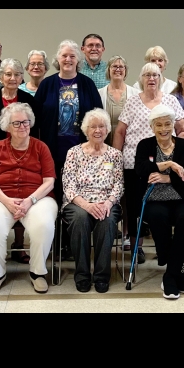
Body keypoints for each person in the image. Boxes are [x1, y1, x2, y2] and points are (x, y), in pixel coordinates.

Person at [112, 63, 184, 264]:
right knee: (135, 208)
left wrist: (177, 154)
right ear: (141, 79)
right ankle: (136, 247)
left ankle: (165, 247)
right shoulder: (132, 102)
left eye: (155, 75)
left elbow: (183, 130)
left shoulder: (170, 100)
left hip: (165, 162)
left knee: (162, 206)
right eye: (147, 75)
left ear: (161, 78)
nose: (151, 78)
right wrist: (116, 159)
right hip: (134, 164)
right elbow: (120, 131)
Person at [0, 102, 57, 294]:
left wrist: (29, 201)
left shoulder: (41, 147)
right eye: (16, 123)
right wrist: (7, 201)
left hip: (38, 198)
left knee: (44, 224)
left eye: (26, 122)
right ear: (7, 126)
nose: (22, 126)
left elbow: (49, 182)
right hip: (2, 199)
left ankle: (37, 273)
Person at [136, 105, 184, 299]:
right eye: (159, 125)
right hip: (155, 199)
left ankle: (170, 276)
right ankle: (176, 271)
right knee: (157, 216)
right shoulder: (145, 145)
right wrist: (170, 164)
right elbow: (141, 169)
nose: (164, 128)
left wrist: (167, 178)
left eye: (167, 124)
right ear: (152, 127)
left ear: (173, 125)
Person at [30, 39, 103, 204]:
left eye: (72, 56)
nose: (68, 59)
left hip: (82, 149)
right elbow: (35, 119)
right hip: (51, 148)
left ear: (78, 60)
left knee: (79, 193)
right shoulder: (47, 84)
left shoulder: (88, 84)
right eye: (64, 56)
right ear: (58, 59)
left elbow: (99, 116)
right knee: (53, 190)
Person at [61, 108, 124, 293]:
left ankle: (102, 276)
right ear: (86, 130)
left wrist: (108, 203)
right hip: (77, 202)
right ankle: (82, 275)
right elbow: (68, 185)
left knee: (106, 220)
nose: (97, 130)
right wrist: (86, 205)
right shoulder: (73, 153)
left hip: (107, 202)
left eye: (102, 126)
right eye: (93, 127)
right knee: (80, 219)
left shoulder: (115, 155)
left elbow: (119, 185)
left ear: (107, 130)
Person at [98, 55, 139, 147]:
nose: (118, 69)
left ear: (125, 70)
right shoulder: (99, 94)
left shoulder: (136, 94)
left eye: (121, 67)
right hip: (104, 144)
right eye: (114, 66)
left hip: (129, 145)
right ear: (108, 70)